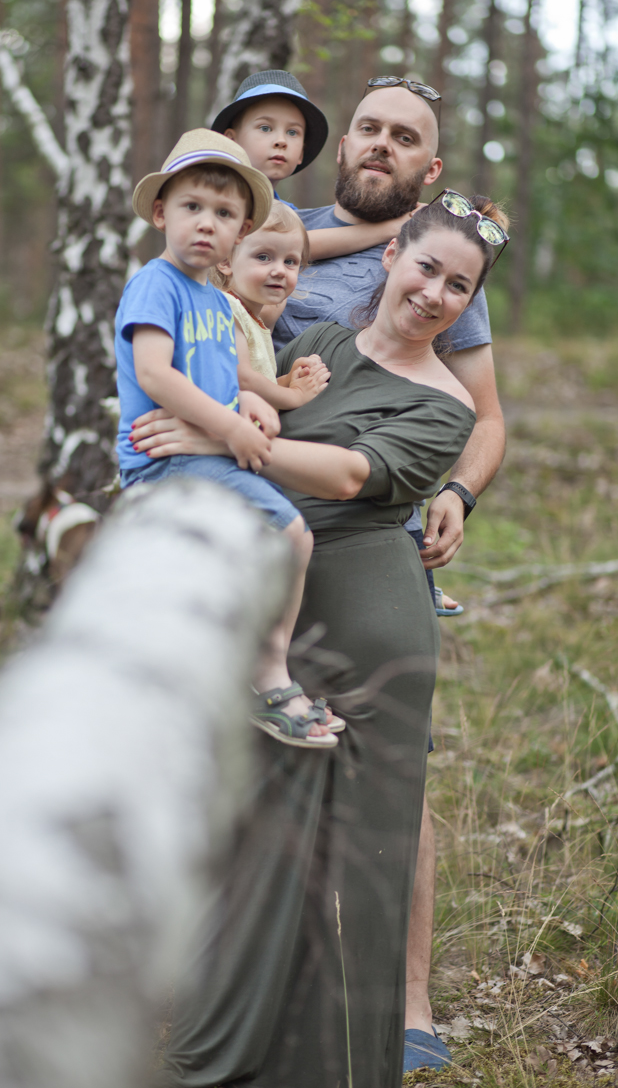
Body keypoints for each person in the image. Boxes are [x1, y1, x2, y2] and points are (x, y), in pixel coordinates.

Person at [132, 190, 510, 1088]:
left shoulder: (448, 404)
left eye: (459, 286)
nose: (434, 293)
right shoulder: (317, 346)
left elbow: (349, 473)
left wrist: (219, 440)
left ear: (469, 303)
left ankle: (342, 1065)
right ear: (389, 260)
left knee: (360, 854)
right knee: (260, 836)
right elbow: (241, 390)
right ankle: (233, 1056)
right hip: (281, 607)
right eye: (426, 267)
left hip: (372, 629)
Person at [271, 77, 508, 1068]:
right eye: (368, 127)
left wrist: (458, 493)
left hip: (374, 530)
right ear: (345, 143)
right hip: (273, 527)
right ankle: (268, 993)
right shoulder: (284, 232)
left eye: (403, 136)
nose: (379, 144)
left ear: (428, 168)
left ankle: (404, 1003)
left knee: (386, 778)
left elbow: (486, 416)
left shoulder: (441, 263)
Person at [116, 128, 338, 748]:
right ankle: (268, 673)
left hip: (207, 454)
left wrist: (258, 400)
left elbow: (226, 369)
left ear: (240, 233)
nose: (206, 224)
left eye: (224, 214)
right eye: (192, 208)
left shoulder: (212, 302)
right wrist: (232, 426)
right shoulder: (156, 285)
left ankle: (236, 667)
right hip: (164, 462)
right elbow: (156, 371)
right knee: (291, 532)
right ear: (162, 212)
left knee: (276, 542)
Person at [212, 70, 424, 260]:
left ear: (301, 153)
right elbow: (289, 246)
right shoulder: (213, 192)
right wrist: (393, 227)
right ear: (231, 140)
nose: (281, 141)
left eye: (293, 132)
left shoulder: (292, 216)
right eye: (265, 128)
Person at [212, 201, 332, 410]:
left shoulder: (252, 318)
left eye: (290, 261)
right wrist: (295, 395)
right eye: (263, 257)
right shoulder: (226, 307)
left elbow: (253, 389)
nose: (279, 271)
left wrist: (287, 381)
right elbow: (241, 379)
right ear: (226, 261)